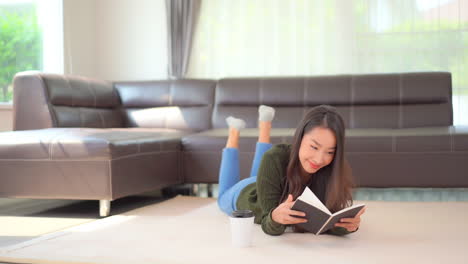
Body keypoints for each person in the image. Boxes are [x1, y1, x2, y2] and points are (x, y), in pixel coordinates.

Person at [217, 104, 366, 236]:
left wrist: (348, 226)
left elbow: (328, 221)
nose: (319, 159)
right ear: (299, 138)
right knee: (222, 195)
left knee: (264, 168)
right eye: (314, 147)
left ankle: (264, 124)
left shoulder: (331, 169)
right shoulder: (275, 157)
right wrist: (275, 217)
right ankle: (234, 133)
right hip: (244, 192)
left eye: (330, 152)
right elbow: (267, 224)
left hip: (266, 180)